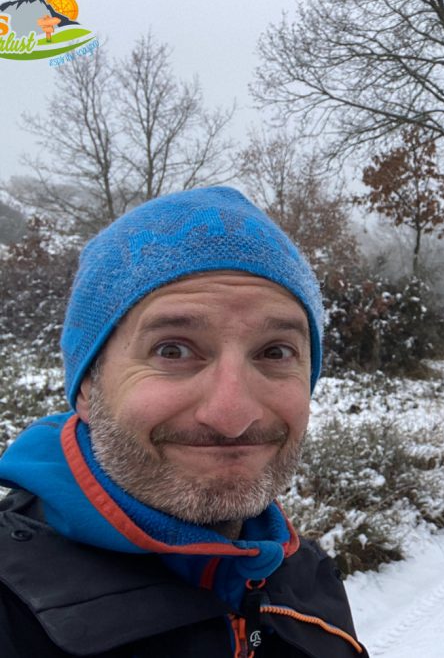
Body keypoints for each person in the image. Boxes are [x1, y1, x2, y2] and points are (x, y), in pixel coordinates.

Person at [0, 187, 369, 657]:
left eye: (275, 352)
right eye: (172, 350)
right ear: (88, 387)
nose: (232, 415)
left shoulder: (305, 580)